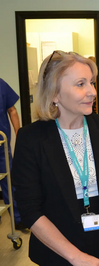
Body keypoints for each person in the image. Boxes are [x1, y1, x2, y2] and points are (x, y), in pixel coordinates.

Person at [12, 51, 99, 266]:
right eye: (80, 84)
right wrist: (77, 258)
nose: (92, 92)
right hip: (56, 253)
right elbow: (30, 209)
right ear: (55, 94)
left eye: (92, 83)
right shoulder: (31, 139)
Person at [0, 78, 25, 230]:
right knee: (8, 180)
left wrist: (19, 134)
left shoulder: (1, 84)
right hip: (2, 142)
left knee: (8, 182)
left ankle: (17, 217)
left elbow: (12, 110)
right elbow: (13, 111)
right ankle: (18, 219)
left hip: (2, 143)